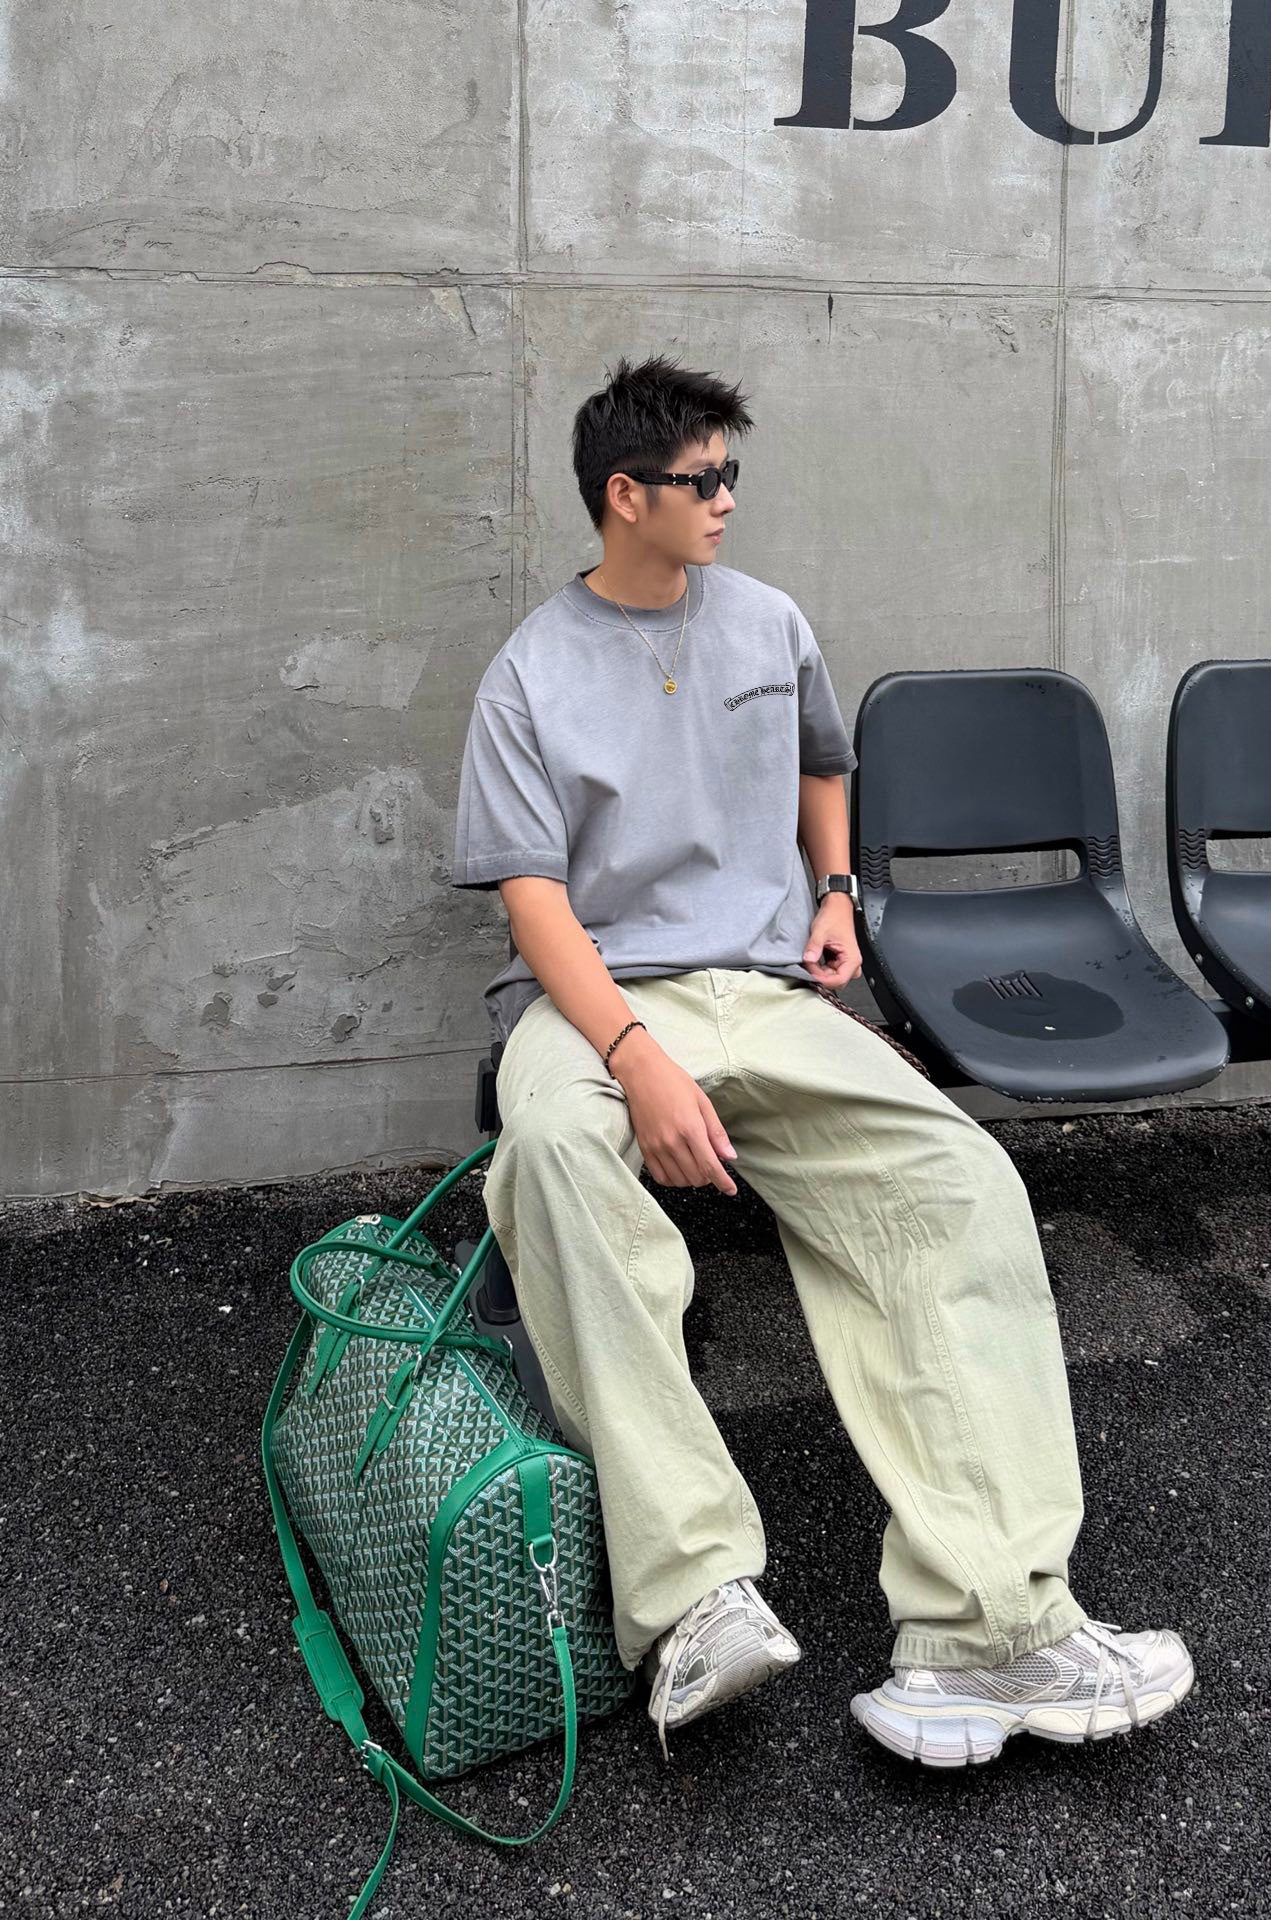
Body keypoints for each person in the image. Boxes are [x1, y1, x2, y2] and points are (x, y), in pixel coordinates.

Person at [451, 352, 1194, 1769]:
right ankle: (693, 1597)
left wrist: (836, 893)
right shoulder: (529, 673)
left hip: (766, 987)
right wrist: (635, 1059)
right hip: (600, 998)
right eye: (704, 478)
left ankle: (992, 1633)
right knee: (549, 1153)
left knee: (958, 1182)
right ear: (625, 495)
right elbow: (532, 901)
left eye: (732, 473)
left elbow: (822, 760)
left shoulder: (769, 620)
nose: (729, 498)